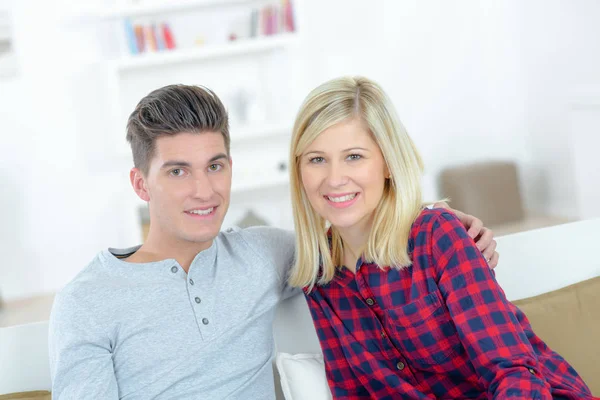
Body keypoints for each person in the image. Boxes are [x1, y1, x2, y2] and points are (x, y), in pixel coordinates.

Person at [49, 84, 498, 399]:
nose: (204, 191)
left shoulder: (263, 254)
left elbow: (352, 234)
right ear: (140, 183)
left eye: (216, 166)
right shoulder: (88, 301)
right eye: (177, 171)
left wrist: (436, 222)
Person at [287, 76, 593, 399]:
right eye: (317, 159)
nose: (335, 179)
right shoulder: (319, 278)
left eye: (354, 156)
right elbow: (351, 393)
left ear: (388, 163)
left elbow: (513, 372)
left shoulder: (436, 237)